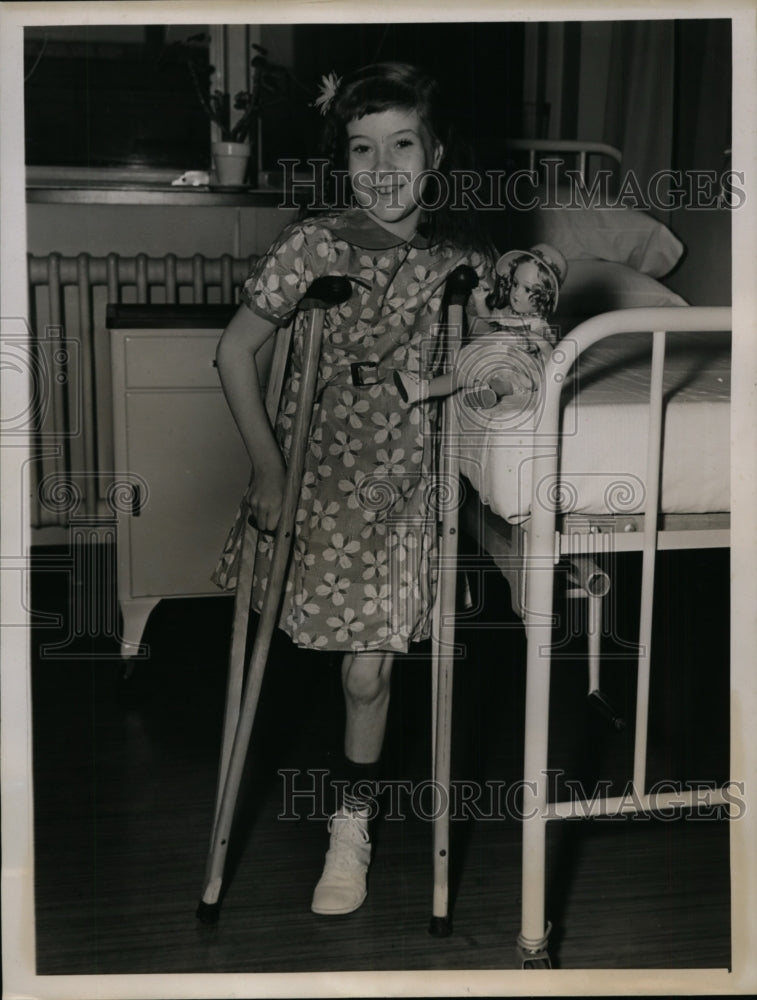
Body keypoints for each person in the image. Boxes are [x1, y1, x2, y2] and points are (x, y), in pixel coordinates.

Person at [211, 62, 493, 916]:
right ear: (344, 162)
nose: (383, 166)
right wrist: (266, 468)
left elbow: (493, 363)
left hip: (405, 492)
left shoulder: (460, 261)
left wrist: (501, 344)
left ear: (433, 152)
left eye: (401, 144)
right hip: (315, 482)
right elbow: (232, 353)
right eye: (362, 149)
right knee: (317, 667)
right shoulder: (312, 244)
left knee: (368, 680)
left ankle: (350, 824)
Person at [394, 243, 567, 408]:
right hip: (493, 355)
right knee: (461, 375)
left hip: (518, 366)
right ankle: (421, 389)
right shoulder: (508, 312)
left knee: (505, 382)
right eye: (515, 284)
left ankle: (490, 392)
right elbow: (489, 317)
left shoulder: (538, 324)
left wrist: (539, 340)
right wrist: (479, 301)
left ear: (545, 297)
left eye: (527, 290)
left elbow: (554, 357)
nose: (516, 292)